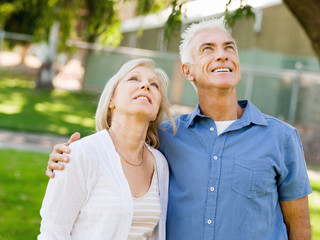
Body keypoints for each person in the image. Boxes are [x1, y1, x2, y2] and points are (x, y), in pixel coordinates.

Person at [46, 18, 312, 239]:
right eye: (207, 49)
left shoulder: (281, 138)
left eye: (229, 48)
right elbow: (117, 145)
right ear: (187, 71)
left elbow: (299, 227)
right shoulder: (169, 137)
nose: (222, 54)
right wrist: (66, 158)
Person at [38, 58, 176, 240]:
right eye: (134, 79)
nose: (145, 86)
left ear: (157, 110)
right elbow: (53, 233)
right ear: (111, 100)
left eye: (154, 85)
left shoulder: (160, 164)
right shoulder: (80, 154)